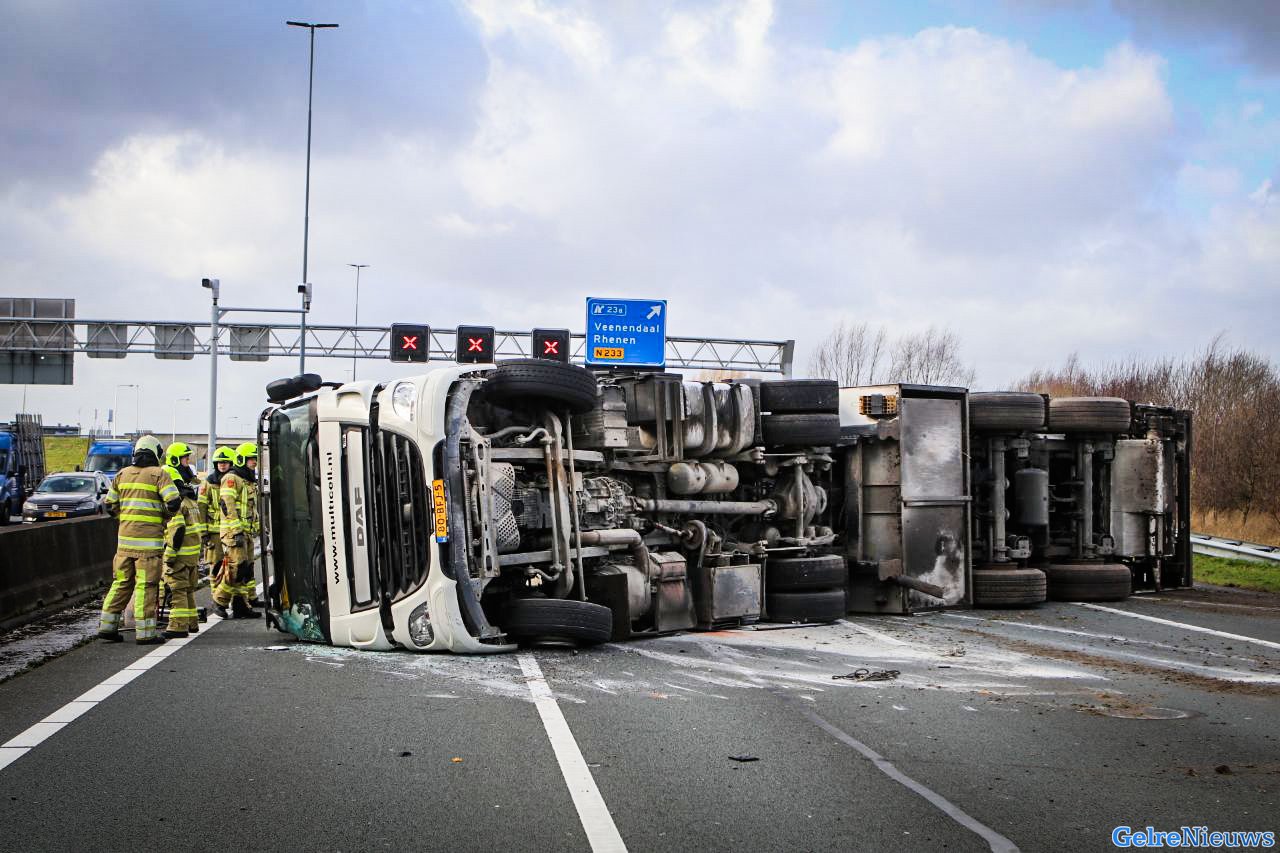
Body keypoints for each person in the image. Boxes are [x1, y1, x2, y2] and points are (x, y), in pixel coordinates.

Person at [98, 435, 181, 644]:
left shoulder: (121, 474)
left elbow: (110, 506)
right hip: (149, 546)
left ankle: (107, 627)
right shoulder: (159, 475)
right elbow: (173, 502)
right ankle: (145, 633)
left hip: (124, 544)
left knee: (121, 583)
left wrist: (125, 519)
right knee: (146, 586)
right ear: (155, 453)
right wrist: (162, 518)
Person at [213, 441, 259, 619]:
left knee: (244, 569)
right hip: (234, 533)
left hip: (245, 532)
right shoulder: (232, 479)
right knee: (236, 567)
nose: (254, 462)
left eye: (255, 459)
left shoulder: (246, 481)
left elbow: (250, 509)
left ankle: (240, 605)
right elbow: (227, 505)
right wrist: (236, 530)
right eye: (251, 459)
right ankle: (220, 600)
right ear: (241, 460)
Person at [161, 461, 202, 638]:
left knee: (177, 590)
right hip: (192, 555)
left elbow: (177, 530)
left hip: (179, 555)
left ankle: (178, 626)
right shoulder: (190, 500)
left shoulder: (175, 502)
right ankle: (192, 622)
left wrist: (169, 554)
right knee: (188, 590)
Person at [199, 447, 234, 589]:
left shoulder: (235, 481)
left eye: (225, 462)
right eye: (219, 462)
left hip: (231, 531)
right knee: (216, 565)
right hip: (214, 533)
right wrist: (204, 534)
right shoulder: (208, 483)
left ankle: (230, 597)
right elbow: (201, 509)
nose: (222, 465)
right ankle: (217, 597)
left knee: (234, 565)